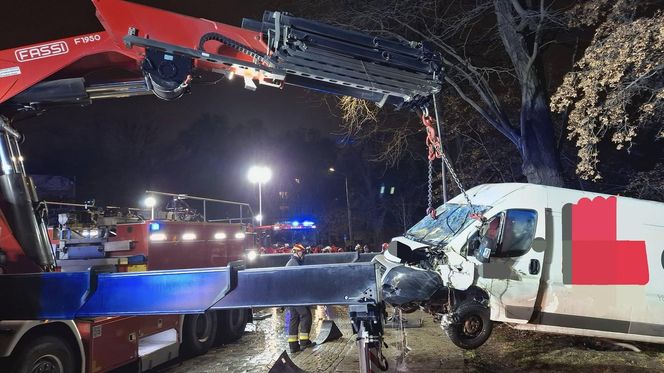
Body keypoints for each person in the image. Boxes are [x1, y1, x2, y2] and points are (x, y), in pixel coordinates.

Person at [285, 244, 313, 353]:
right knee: (306, 315)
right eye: (302, 252)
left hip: (291, 296)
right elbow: (296, 281)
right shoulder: (293, 263)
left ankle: (293, 345)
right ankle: (304, 342)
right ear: (296, 252)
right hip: (295, 296)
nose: (303, 254)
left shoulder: (294, 262)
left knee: (294, 318)